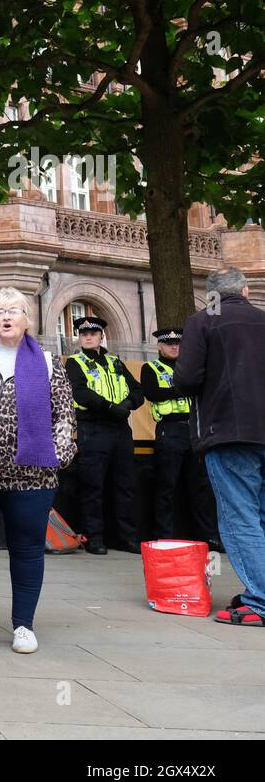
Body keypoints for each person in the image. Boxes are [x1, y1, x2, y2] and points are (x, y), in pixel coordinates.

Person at [0, 288, 78, 655]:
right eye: (0, 311)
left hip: (31, 476)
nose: (6, 317)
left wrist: (58, 455)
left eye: (14, 311)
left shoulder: (50, 362)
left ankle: (23, 624)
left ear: (27, 319)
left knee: (26, 548)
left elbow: (65, 416)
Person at [175, 267, 265, 628]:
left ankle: (259, 600)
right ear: (245, 291)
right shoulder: (262, 318)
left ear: (210, 293)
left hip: (229, 431)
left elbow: (185, 379)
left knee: (240, 517)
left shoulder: (203, 321)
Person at [63, 316, 144, 554]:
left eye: (93, 333)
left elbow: (137, 390)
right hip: (93, 427)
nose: (88, 337)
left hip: (120, 428)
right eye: (84, 334)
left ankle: (126, 537)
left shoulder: (115, 362)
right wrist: (110, 407)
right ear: (79, 338)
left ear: (101, 336)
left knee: (125, 485)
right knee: (93, 485)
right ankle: (94, 537)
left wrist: (127, 404)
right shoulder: (74, 362)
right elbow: (79, 392)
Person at [141, 327, 221, 548]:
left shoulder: (191, 368)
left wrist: (177, 388)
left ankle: (208, 536)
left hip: (195, 429)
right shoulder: (151, 368)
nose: (174, 347)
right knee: (167, 485)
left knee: (201, 486)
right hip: (170, 430)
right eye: (168, 343)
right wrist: (184, 387)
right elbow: (153, 392)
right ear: (159, 346)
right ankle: (164, 536)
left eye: (177, 344)